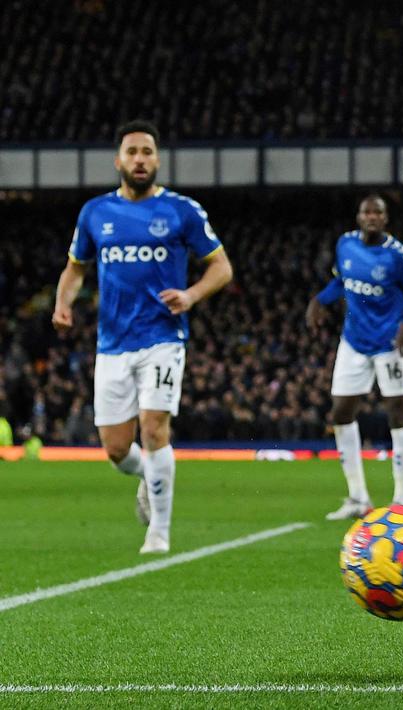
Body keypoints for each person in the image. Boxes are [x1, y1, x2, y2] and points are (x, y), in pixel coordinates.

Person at [52, 120, 233, 554]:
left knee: (154, 430)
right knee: (116, 449)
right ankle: (147, 478)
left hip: (163, 338)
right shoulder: (95, 213)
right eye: (132, 151)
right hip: (112, 344)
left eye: (147, 152)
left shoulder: (181, 210)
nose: (139, 159)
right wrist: (63, 303)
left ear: (157, 160)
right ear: (118, 160)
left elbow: (222, 267)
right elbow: (75, 268)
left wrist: (190, 295)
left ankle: (159, 533)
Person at [307, 195, 403, 520]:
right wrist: (320, 300)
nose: (371, 217)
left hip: (388, 344)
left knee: (398, 413)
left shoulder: (400, 256)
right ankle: (358, 497)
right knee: (341, 413)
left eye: (378, 212)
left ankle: (401, 499)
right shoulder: (345, 244)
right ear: (359, 216)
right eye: (366, 212)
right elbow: (340, 282)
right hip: (353, 342)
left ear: (386, 219)